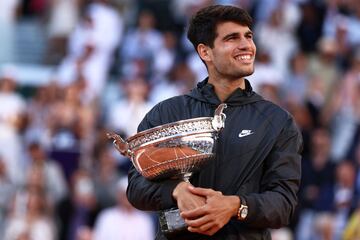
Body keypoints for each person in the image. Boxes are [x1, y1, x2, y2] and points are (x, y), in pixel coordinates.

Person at [126, 5, 303, 240]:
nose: (246, 45)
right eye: (232, 38)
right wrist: (176, 191)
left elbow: (284, 203)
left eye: (248, 36)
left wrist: (235, 206)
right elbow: (136, 187)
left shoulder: (277, 121)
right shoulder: (167, 112)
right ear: (205, 52)